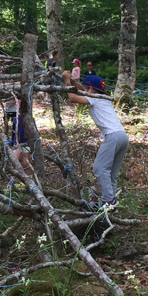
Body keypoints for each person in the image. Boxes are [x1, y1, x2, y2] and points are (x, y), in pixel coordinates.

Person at [61, 72, 128, 206]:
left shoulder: (94, 98)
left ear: (91, 90)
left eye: (86, 89)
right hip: (122, 136)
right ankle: (109, 202)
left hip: (112, 136)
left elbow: (73, 98)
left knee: (99, 168)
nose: (84, 91)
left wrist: (67, 82)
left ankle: (108, 201)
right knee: (111, 173)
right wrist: (74, 82)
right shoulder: (103, 97)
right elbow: (82, 88)